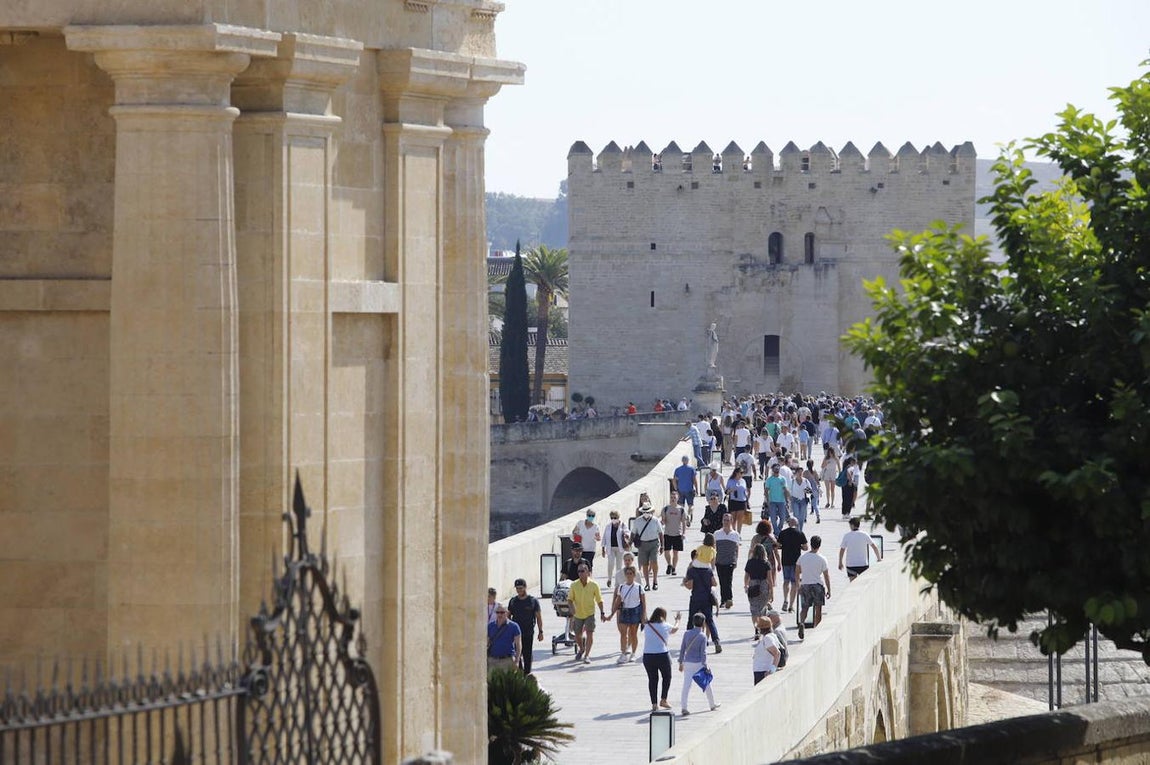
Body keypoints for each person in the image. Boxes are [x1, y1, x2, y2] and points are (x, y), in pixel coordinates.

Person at [678, 613, 719, 716]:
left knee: (686, 686)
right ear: (703, 623)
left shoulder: (686, 633)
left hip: (687, 662)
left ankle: (684, 707)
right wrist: (705, 665)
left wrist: (680, 662)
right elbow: (703, 653)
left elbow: (682, 649)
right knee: (706, 684)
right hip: (698, 664)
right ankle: (712, 704)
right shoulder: (703, 636)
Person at [642, 607, 681, 712]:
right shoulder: (665, 626)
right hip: (662, 655)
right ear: (663, 616)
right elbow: (675, 629)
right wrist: (678, 620)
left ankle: (654, 704)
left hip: (648, 656)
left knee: (652, 680)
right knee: (667, 677)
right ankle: (663, 699)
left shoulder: (647, 626)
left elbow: (643, 617)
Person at [605, 565, 646, 663]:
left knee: (633, 633)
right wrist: (612, 614)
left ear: (634, 575)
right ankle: (623, 653)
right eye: (627, 574)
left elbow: (643, 603)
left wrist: (644, 615)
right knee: (623, 634)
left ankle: (633, 653)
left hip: (635, 611)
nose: (629, 576)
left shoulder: (639, 587)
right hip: (624, 611)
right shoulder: (622, 587)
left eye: (631, 574)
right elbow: (618, 601)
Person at [568, 562, 606, 664]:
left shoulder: (594, 585)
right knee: (577, 635)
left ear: (588, 572)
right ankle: (581, 648)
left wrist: (602, 612)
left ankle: (587, 655)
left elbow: (599, 600)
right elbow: (570, 599)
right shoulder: (574, 585)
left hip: (590, 613)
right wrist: (572, 609)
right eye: (578, 571)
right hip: (578, 614)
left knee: (590, 633)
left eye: (582, 571)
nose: (580, 573)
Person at [795, 535, 831, 639]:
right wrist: (829, 589)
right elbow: (826, 575)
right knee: (818, 609)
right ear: (819, 545)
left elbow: (797, 572)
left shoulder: (802, 557)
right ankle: (817, 630)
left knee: (805, 607)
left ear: (810, 544)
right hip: (817, 585)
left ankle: (802, 622)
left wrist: (798, 585)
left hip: (805, 584)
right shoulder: (822, 559)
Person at [507, 579, 544, 675]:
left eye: (521, 588)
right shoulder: (513, 601)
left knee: (527, 655)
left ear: (525, 588)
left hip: (528, 632)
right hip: (516, 634)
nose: (519, 590)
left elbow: (538, 617)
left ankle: (527, 674)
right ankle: (519, 673)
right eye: (517, 588)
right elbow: (508, 616)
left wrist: (541, 632)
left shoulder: (533, 601)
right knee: (517, 654)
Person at [776, 517, 808, 612]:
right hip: (796, 561)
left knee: (786, 581)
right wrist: (800, 547)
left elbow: (778, 545)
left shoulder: (783, 533)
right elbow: (806, 547)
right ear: (797, 524)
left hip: (785, 560)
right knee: (794, 582)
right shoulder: (800, 533)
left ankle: (785, 600)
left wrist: (783, 546)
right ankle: (791, 605)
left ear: (789, 523)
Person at [630, 503, 664, 591]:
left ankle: (655, 581)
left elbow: (660, 533)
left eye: (648, 511)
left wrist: (662, 546)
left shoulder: (655, 521)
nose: (646, 513)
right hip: (642, 544)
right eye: (644, 512)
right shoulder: (638, 521)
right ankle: (647, 583)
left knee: (654, 561)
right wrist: (629, 543)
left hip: (653, 543)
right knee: (644, 564)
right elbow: (633, 533)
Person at [743, 543, 772, 635]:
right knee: (762, 609)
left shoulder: (750, 562)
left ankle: (756, 628)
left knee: (754, 609)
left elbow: (746, 576)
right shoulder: (766, 563)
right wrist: (771, 592)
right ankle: (763, 626)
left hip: (753, 585)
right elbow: (770, 579)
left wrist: (746, 585)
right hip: (764, 586)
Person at [749, 520, 780, 604]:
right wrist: (779, 563)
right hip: (770, 562)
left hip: (757, 562)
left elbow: (751, 550)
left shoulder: (755, 538)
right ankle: (768, 599)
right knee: (769, 581)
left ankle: (759, 598)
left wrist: (749, 561)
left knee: (758, 581)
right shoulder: (771, 538)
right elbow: (776, 552)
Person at [714, 513, 740, 609]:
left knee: (728, 581)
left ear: (731, 521)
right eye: (724, 520)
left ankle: (729, 599)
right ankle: (723, 600)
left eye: (728, 520)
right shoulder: (717, 534)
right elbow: (714, 548)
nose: (726, 522)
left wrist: (736, 560)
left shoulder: (735, 534)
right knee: (722, 581)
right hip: (719, 561)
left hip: (730, 561)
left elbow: (737, 549)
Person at [661, 491, 690, 576]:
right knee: (666, 552)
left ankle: (674, 568)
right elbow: (663, 520)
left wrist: (684, 533)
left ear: (677, 499)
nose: (673, 499)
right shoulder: (666, 509)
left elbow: (684, 522)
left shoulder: (681, 509)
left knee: (675, 552)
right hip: (667, 533)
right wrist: (663, 521)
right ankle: (669, 565)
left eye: (674, 498)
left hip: (677, 533)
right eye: (671, 497)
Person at [487, 604, 522, 671]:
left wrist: (517, 660)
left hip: (507, 660)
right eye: (497, 612)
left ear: (507, 613)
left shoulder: (514, 626)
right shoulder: (490, 626)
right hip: (492, 660)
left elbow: (518, 644)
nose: (499, 615)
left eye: (502, 612)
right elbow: (486, 642)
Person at [601, 510, 630, 587]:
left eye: (615, 517)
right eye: (612, 517)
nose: (613, 519)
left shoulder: (623, 525)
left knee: (619, 565)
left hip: (620, 548)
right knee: (611, 563)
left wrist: (626, 535)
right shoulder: (608, 526)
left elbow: (628, 533)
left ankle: (618, 581)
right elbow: (604, 537)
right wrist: (603, 549)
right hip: (611, 548)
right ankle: (609, 579)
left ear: (618, 517)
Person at [751, 616, 782, 684]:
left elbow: (777, 653)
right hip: (760, 670)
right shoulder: (770, 636)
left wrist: (772, 670)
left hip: (763, 671)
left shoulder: (768, 638)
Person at [764, 463, 789, 534]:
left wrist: (787, 500)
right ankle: (777, 531)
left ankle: (778, 529)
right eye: (775, 468)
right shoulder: (769, 479)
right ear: (772, 470)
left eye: (778, 468)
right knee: (773, 518)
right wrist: (767, 500)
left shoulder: (782, 479)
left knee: (783, 518)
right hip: (772, 501)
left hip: (781, 501)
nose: (776, 470)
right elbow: (766, 491)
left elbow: (785, 490)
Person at [724, 467, 749, 534]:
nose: (742, 474)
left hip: (742, 500)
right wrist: (731, 490)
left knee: (740, 519)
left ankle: (739, 533)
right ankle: (734, 532)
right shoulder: (730, 480)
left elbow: (745, 490)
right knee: (733, 518)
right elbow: (726, 491)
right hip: (733, 500)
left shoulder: (743, 481)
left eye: (742, 473)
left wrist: (747, 497)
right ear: (736, 473)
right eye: (741, 473)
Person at [804, 459, 822, 524]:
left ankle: (805, 518)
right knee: (815, 504)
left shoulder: (805, 472)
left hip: (807, 489)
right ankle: (818, 516)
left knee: (805, 504)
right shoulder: (815, 471)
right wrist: (819, 488)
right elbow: (818, 481)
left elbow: (803, 481)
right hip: (815, 488)